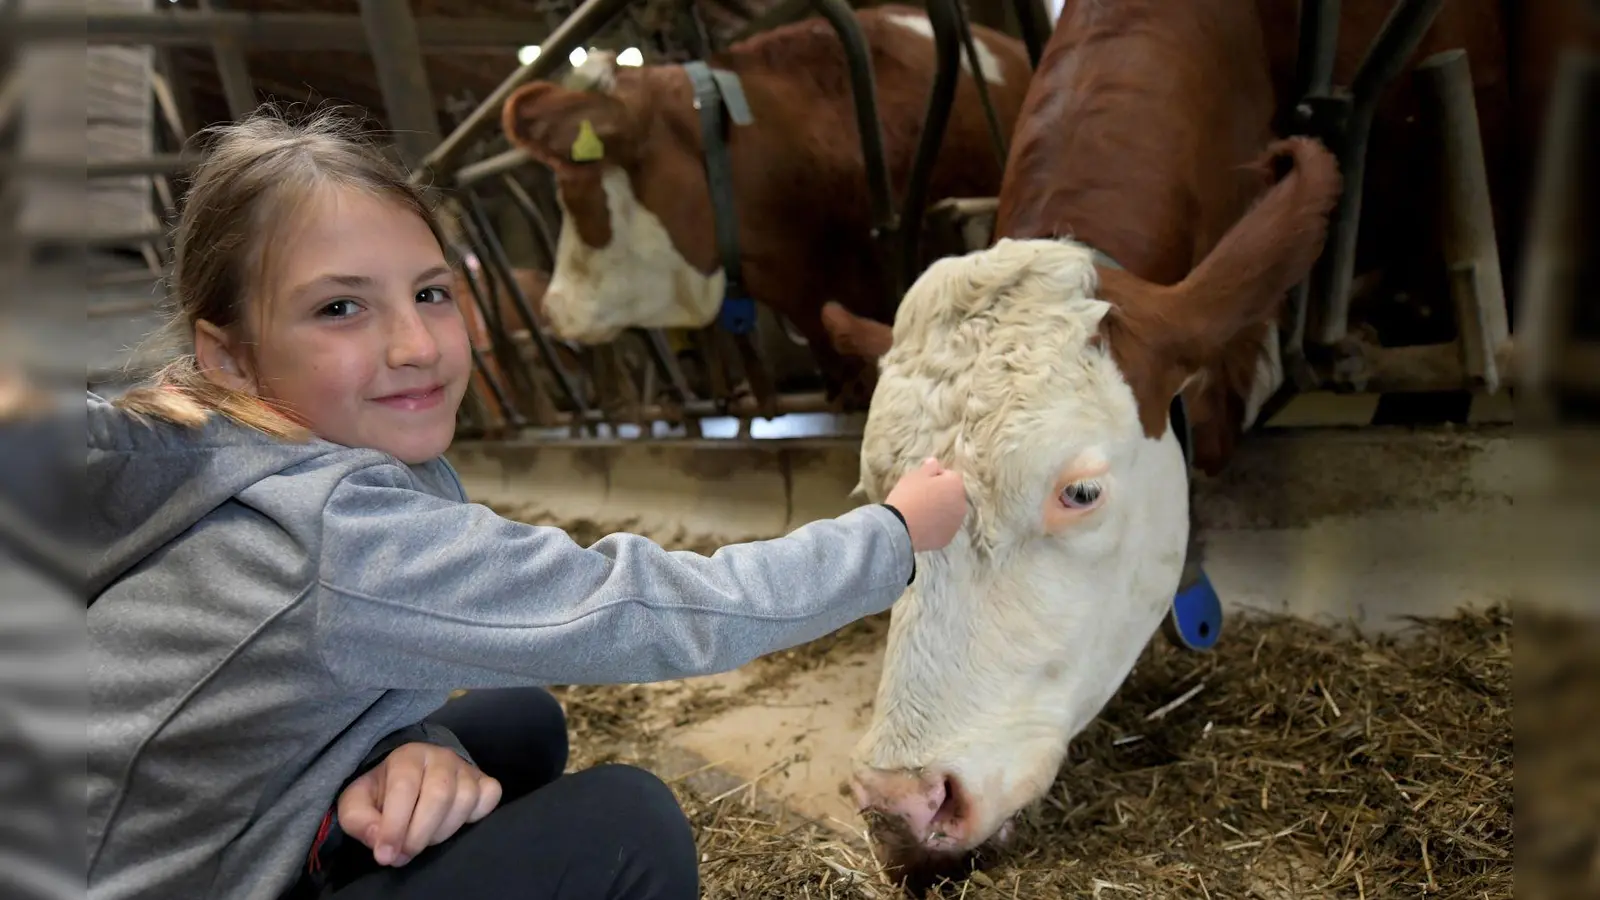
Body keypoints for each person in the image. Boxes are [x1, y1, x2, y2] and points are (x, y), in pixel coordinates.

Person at [85, 103, 968, 900]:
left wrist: (404, 750)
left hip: (217, 843)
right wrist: (891, 535)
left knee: (517, 720)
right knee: (626, 824)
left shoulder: (222, 455)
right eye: (341, 307)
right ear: (230, 356)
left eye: (431, 293)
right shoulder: (330, 534)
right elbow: (637, 607)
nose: (415, 344)